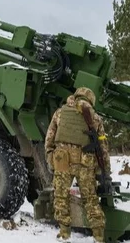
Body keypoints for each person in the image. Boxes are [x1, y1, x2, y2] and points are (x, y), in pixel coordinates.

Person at [44, 86, 109, 242]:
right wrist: (104, 170)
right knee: (90, 199)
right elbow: (103, 148)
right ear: (90, 100)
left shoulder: (60, 113)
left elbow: (49, 139)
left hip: (62, 160)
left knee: (61, 196)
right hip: (85, 163)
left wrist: (50, 159)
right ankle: (98, 236)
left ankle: (64, 232)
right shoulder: (95, 118)